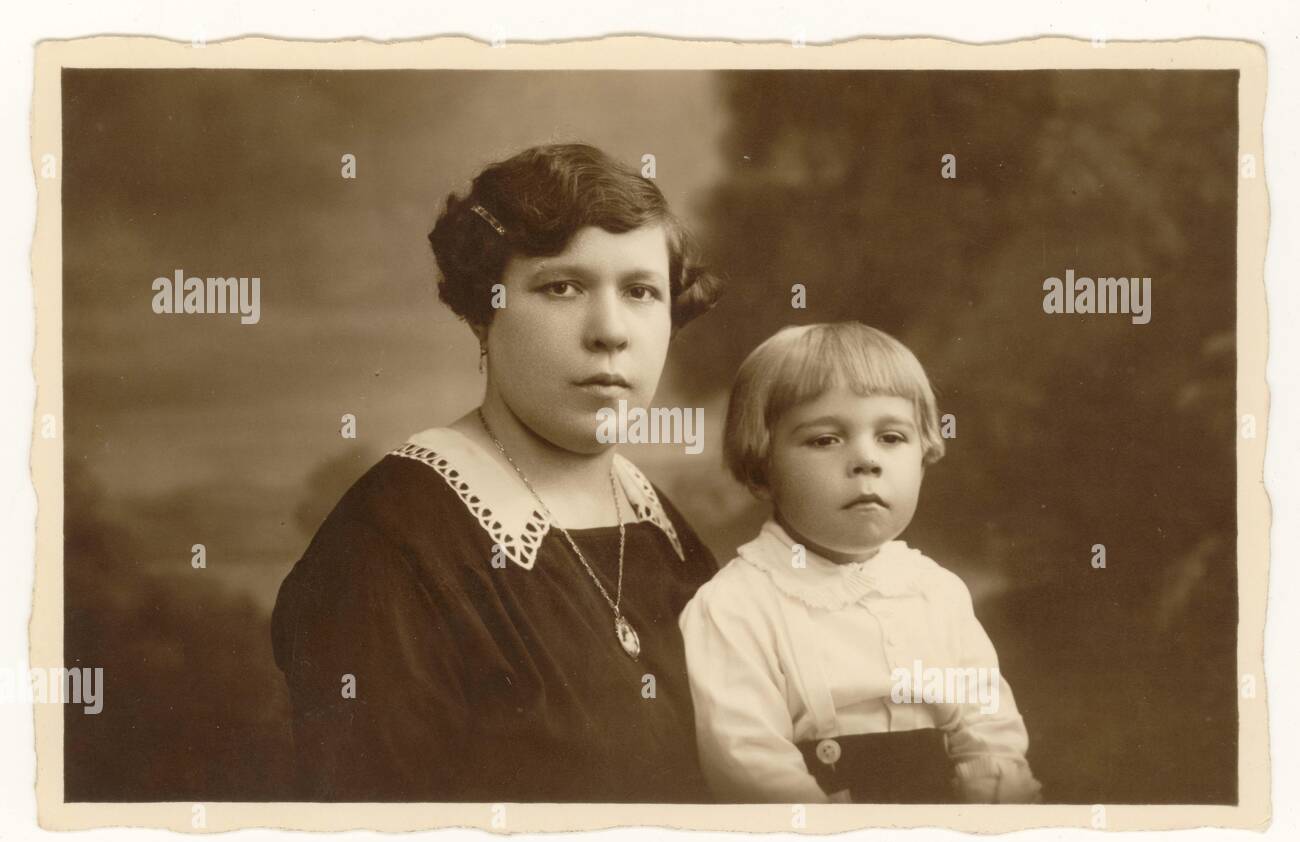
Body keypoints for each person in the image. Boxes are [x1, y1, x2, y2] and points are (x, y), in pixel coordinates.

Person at [271, 143, 724, 802]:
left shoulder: (662, 530)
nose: (610, 331)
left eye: (640, 291)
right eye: (562, 286)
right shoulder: (387, 548)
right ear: (486, 310)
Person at [679, 322, 1043, 804]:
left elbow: (987, 726)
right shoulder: (733, 608)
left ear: (924, 454)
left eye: (892, 437)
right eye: (826, 439)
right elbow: (751, 763)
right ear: (761, 470)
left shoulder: (936, 592)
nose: (866, 460)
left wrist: (995, 817)